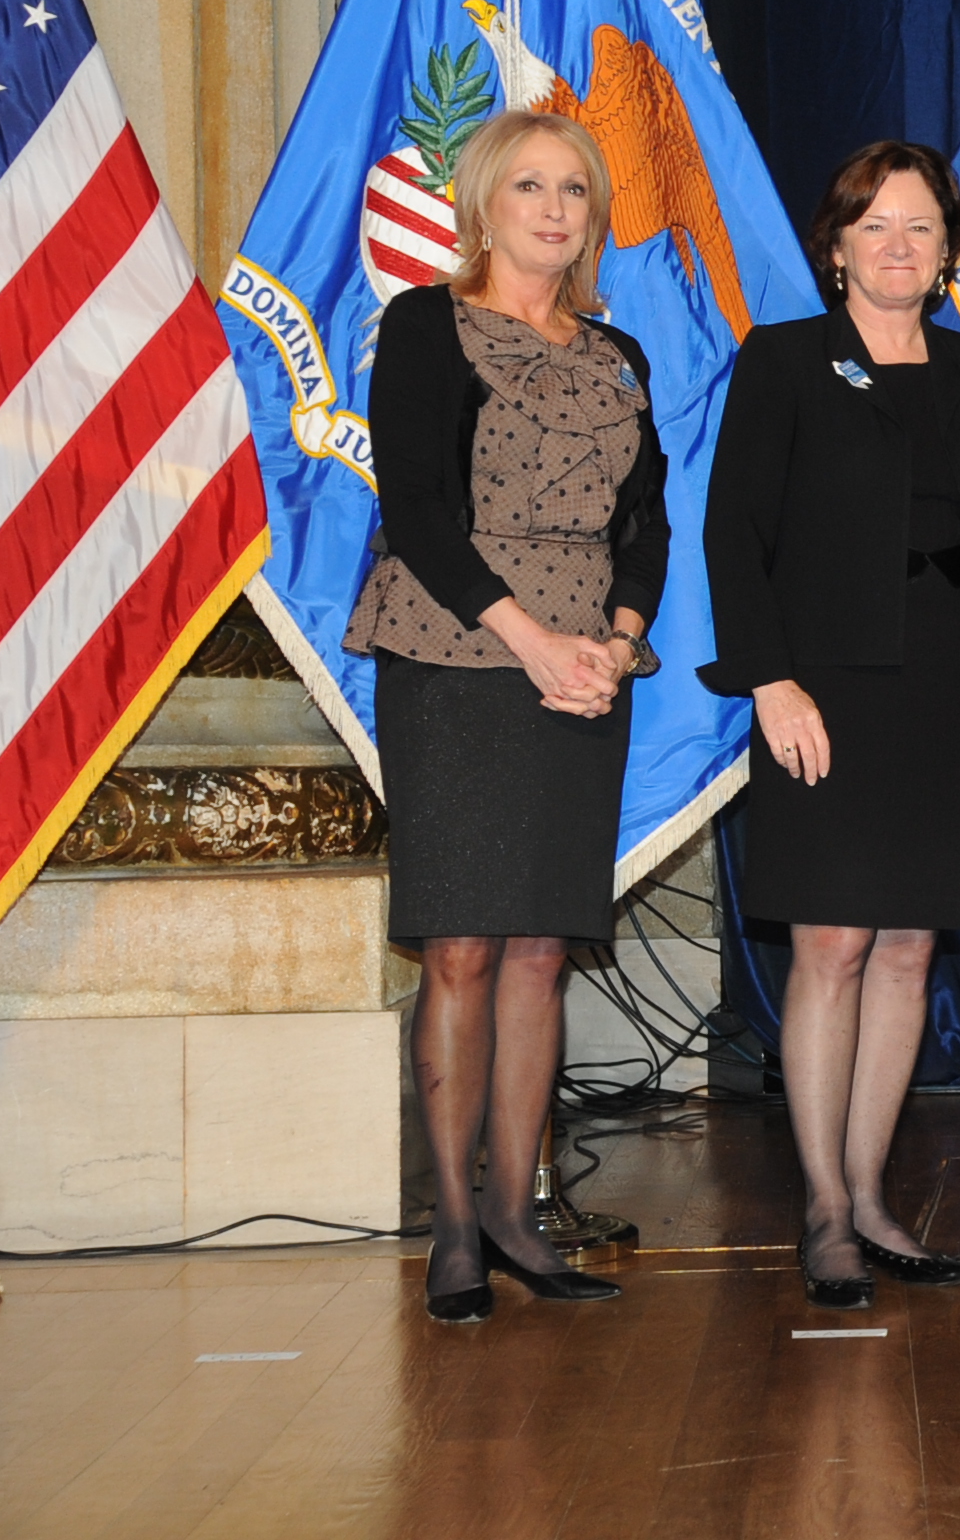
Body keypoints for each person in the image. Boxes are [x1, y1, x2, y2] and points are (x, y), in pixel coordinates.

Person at [702, 142, 960, 1310]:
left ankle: (873, 1194)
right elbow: (733, 537)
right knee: (834, 944)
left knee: (909, 947)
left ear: (951, 250)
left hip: (948, 690)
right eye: (877, 227)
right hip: (827, 696)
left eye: (921, 227)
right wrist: (770, 683)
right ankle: (821, 1205)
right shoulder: (786, 362)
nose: (901, 247)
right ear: (836, 246)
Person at [345, 110, 666, 1323]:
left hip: (585, 667)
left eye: (574, 189)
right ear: (483, 204)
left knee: (542, 949)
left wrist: (618, 643)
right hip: (455, 654)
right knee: (464, 947)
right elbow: (417, 508)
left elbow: (648, 523)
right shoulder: (424, 325)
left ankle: (523, 1219)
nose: (552, 207)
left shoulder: (615, 351)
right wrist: (529, 641)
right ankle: (454, 1227)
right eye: (528, 185)